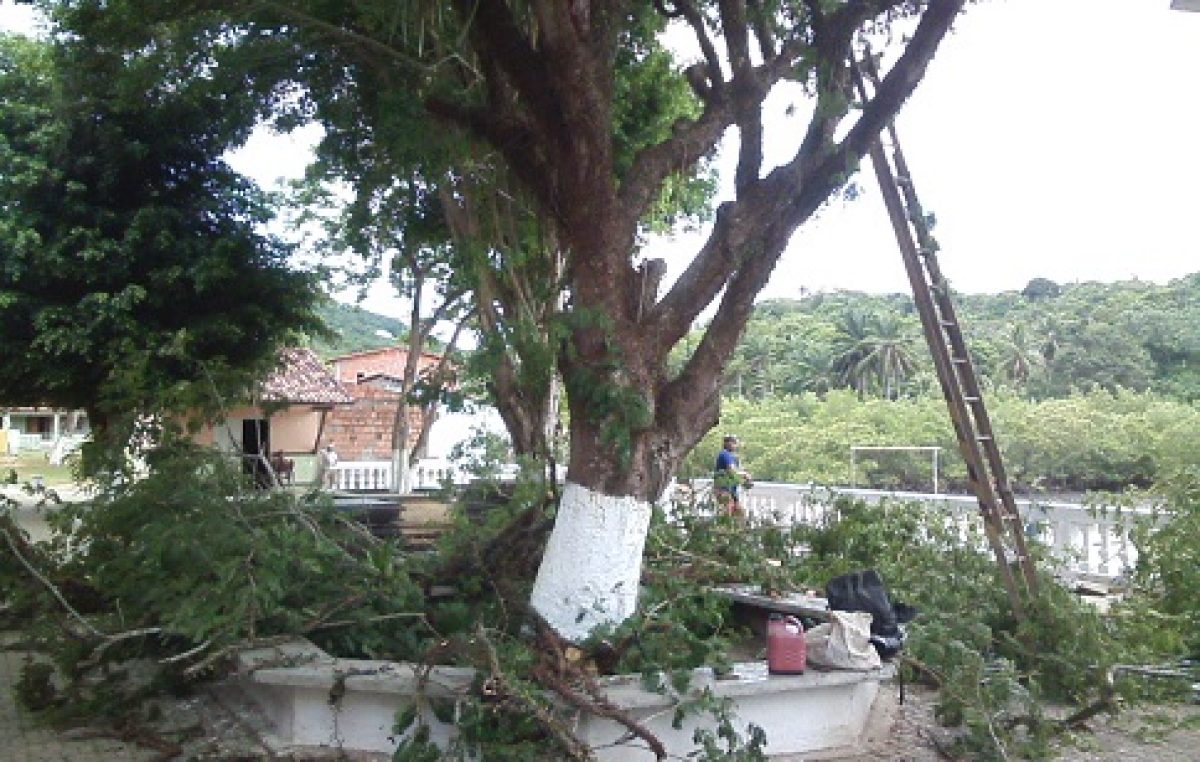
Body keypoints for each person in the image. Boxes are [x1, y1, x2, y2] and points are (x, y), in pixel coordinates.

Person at [713, 434, 751, 517]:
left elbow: (737, 475)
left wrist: (745, 481)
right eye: (733, 442)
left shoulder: (734, 457)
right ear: (727, 443)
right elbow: (732, 471)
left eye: (735, 442)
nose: (735, 445)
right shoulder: (724, 454)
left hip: (732, 492)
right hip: (723, 490)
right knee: (726, 515)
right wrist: (745, 474)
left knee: (740, 514)